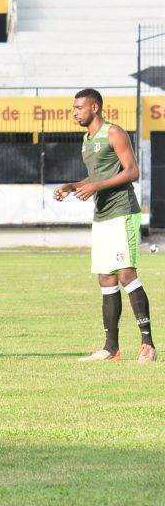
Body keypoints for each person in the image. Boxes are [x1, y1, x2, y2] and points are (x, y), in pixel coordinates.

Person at [54, 88, 156, 363]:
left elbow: (132, 171)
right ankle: (111, 348)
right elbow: (95, 176)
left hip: (123, 212)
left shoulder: (114, 132)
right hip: (102, 216)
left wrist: (95, 186)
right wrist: (72, 186)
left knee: (126, 274)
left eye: (79, 107)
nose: (74, 112)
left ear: (95, 107)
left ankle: (148, 344)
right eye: (74, 107)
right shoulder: (87, 140)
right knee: (106, 278)